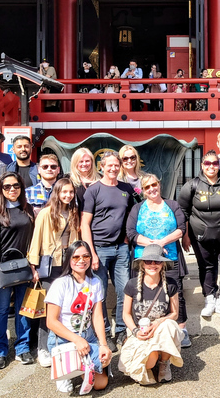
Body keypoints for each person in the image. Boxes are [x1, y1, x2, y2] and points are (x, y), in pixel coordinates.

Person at [126, 173, 191, 348]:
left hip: (169, 256)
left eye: (154, 185)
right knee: (143, 292)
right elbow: (131, 233)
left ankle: (182, 329)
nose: (152, 189)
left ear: (159, 185)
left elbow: (181, 228)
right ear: (143, 191)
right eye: (147, 187)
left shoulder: (172, 205)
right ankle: (143, 329)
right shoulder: (137, 208)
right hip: (144, 259)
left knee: (175, 291)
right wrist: (152, 245)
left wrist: (162, 242)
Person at [80, 151, 135, 348]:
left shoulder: (126, 188)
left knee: (124, 289)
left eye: (116, 165)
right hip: (100, 250)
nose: (113, 169)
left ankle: (120, 330)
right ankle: (102, 331)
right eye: (109, 165)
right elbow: (84, 223)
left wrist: (128, 238)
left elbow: (131, 213)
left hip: (121, 248)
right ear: (101, 167)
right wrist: (91, 253)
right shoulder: (93, 190)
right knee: (99, 293)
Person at [0, 172, 36, 369]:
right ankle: (0, 350)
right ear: (0, 189)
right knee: (1, 311)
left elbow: (32, 239)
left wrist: (33, 264)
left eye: (16, 186)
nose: (12, 189)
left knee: (24, 309)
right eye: (7, 187)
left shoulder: (27, 209)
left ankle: (22, 348)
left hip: (24, 266)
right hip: (2, 268)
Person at [45, 241, 112, 393]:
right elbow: (51, 321)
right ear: (68, 259)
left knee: (100, 383)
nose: (81, 260)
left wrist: (103, 344)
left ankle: (80, 366)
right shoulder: (60, 284)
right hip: (63, 339)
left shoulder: (95, 282)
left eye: (85, 256)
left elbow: (97, 316)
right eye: (76, 257)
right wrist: (77, 340)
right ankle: (66, 371)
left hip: (88, 337)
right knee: (71, 380)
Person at [27, 178, 81, 367]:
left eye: (71, 192)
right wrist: (33, 266)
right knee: (49, 308)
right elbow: (36, 240)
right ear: (56, 193)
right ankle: (43, 348)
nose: (67, 195)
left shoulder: (74, 213)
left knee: (65, 307)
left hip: (68, 265)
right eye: (64, 192)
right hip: (49, 265)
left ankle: (60, 344)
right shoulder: (45, 213)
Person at [178, 150, 220, 317]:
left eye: (215, 163)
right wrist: (185, 235)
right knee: (206, 267)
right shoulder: (192, 185)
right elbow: (182, 211)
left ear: (219, 165)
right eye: (207, 163)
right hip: (200, 236)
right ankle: (210, 298)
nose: (211, 166)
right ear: (202, 166)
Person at [119, 244, 185, 385]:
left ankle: (164, 364)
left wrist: (158, 322)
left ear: (162, 264)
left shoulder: (170, 284)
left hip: (160, 330)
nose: (153, 265)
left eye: (157, 261)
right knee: (148, 362)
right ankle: (150, 361)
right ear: (142, 264)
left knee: (169, 325)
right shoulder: (131, 285)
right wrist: (135, 331)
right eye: (148, 261)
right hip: (140, 331)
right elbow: (125, 314)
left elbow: (174, 314)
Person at [68, 147, 100, 211]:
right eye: (81, 161)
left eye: (87, 161)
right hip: (77, 218)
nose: (84, 164)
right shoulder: (68, 179)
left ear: (92, 162)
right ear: (75, 163)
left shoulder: (101, 178)